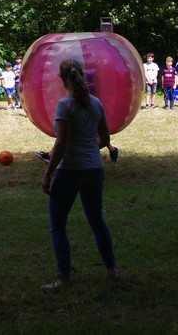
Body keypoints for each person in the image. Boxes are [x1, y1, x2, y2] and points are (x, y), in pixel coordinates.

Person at [40, 58, 118, 290]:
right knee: (97, 220)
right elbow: (105, 139)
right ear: (82, 75)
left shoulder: (64, 105)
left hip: (70, 169)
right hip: (94, 168)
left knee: (57, 224)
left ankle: (63, 277)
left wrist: (47, 173)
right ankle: (111, 271)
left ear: (62, 79)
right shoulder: (96, 103)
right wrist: (88, 147)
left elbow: (62, 144)